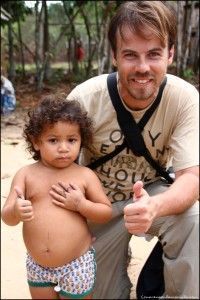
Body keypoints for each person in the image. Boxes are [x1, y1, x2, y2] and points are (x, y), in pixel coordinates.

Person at [49, 1, 199, 299]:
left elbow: (191, 178)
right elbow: (53, 174)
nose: (143, 67)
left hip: (150, 194)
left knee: (194, 220)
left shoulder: (184, 98)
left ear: (170, 54)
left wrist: (154, 206)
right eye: (130, 55)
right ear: (115, 56)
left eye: (154, 54)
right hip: (93, 204)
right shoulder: (85, 99)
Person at [1, 97, 112, 299]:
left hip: (77, 263)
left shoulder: (84, 176)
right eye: (53, 140)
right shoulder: (26, 175)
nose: (63, 148)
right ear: (36, 142)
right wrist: (16, 211)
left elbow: (105, 212)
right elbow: (7, 217)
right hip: (37, 265)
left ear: (81, 140)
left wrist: (81, 204)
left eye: (72, 140)